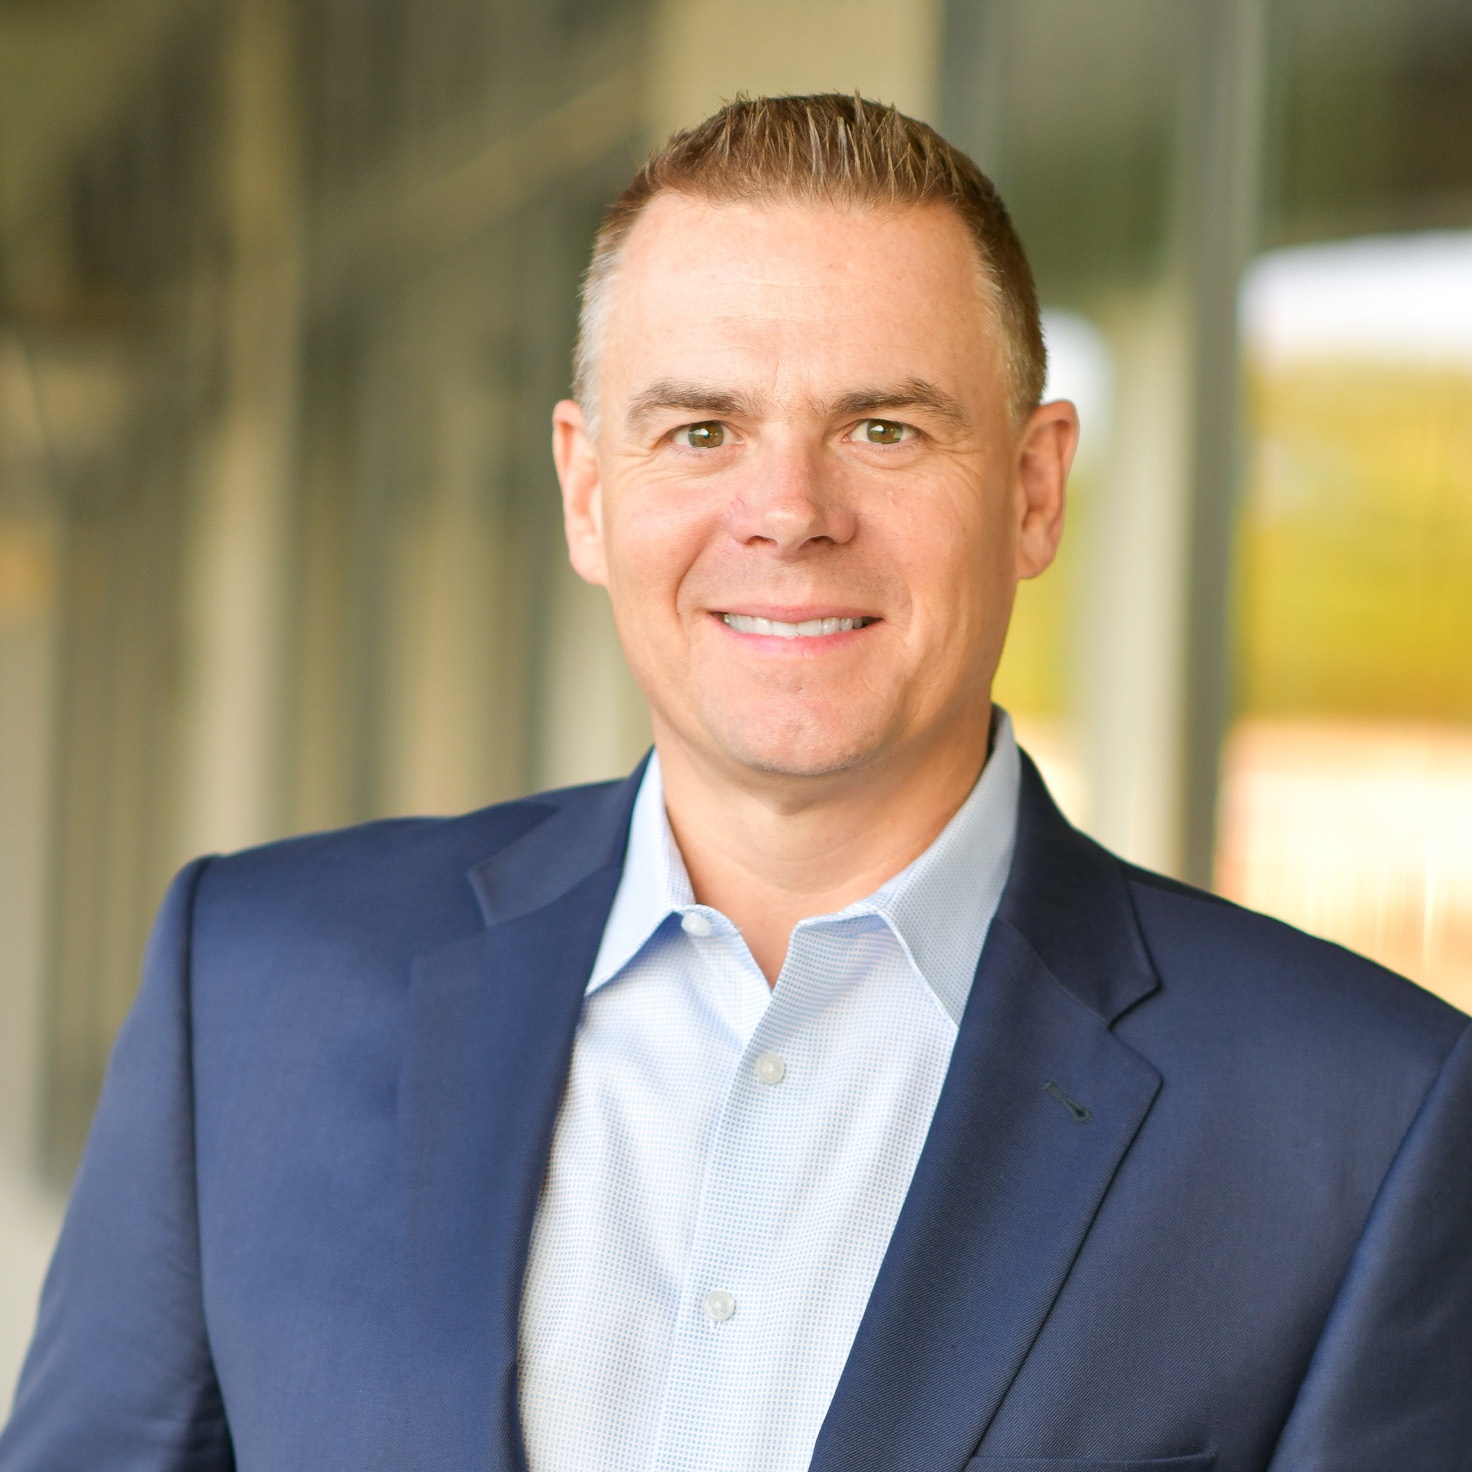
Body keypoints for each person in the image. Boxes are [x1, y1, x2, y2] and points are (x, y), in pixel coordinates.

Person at [2, 94, 1468, 1472]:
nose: (788, 514)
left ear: (1033, 489)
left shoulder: (1357, 1123)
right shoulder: (254, 989)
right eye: (702, 430)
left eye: (883, 428)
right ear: (589, 489)